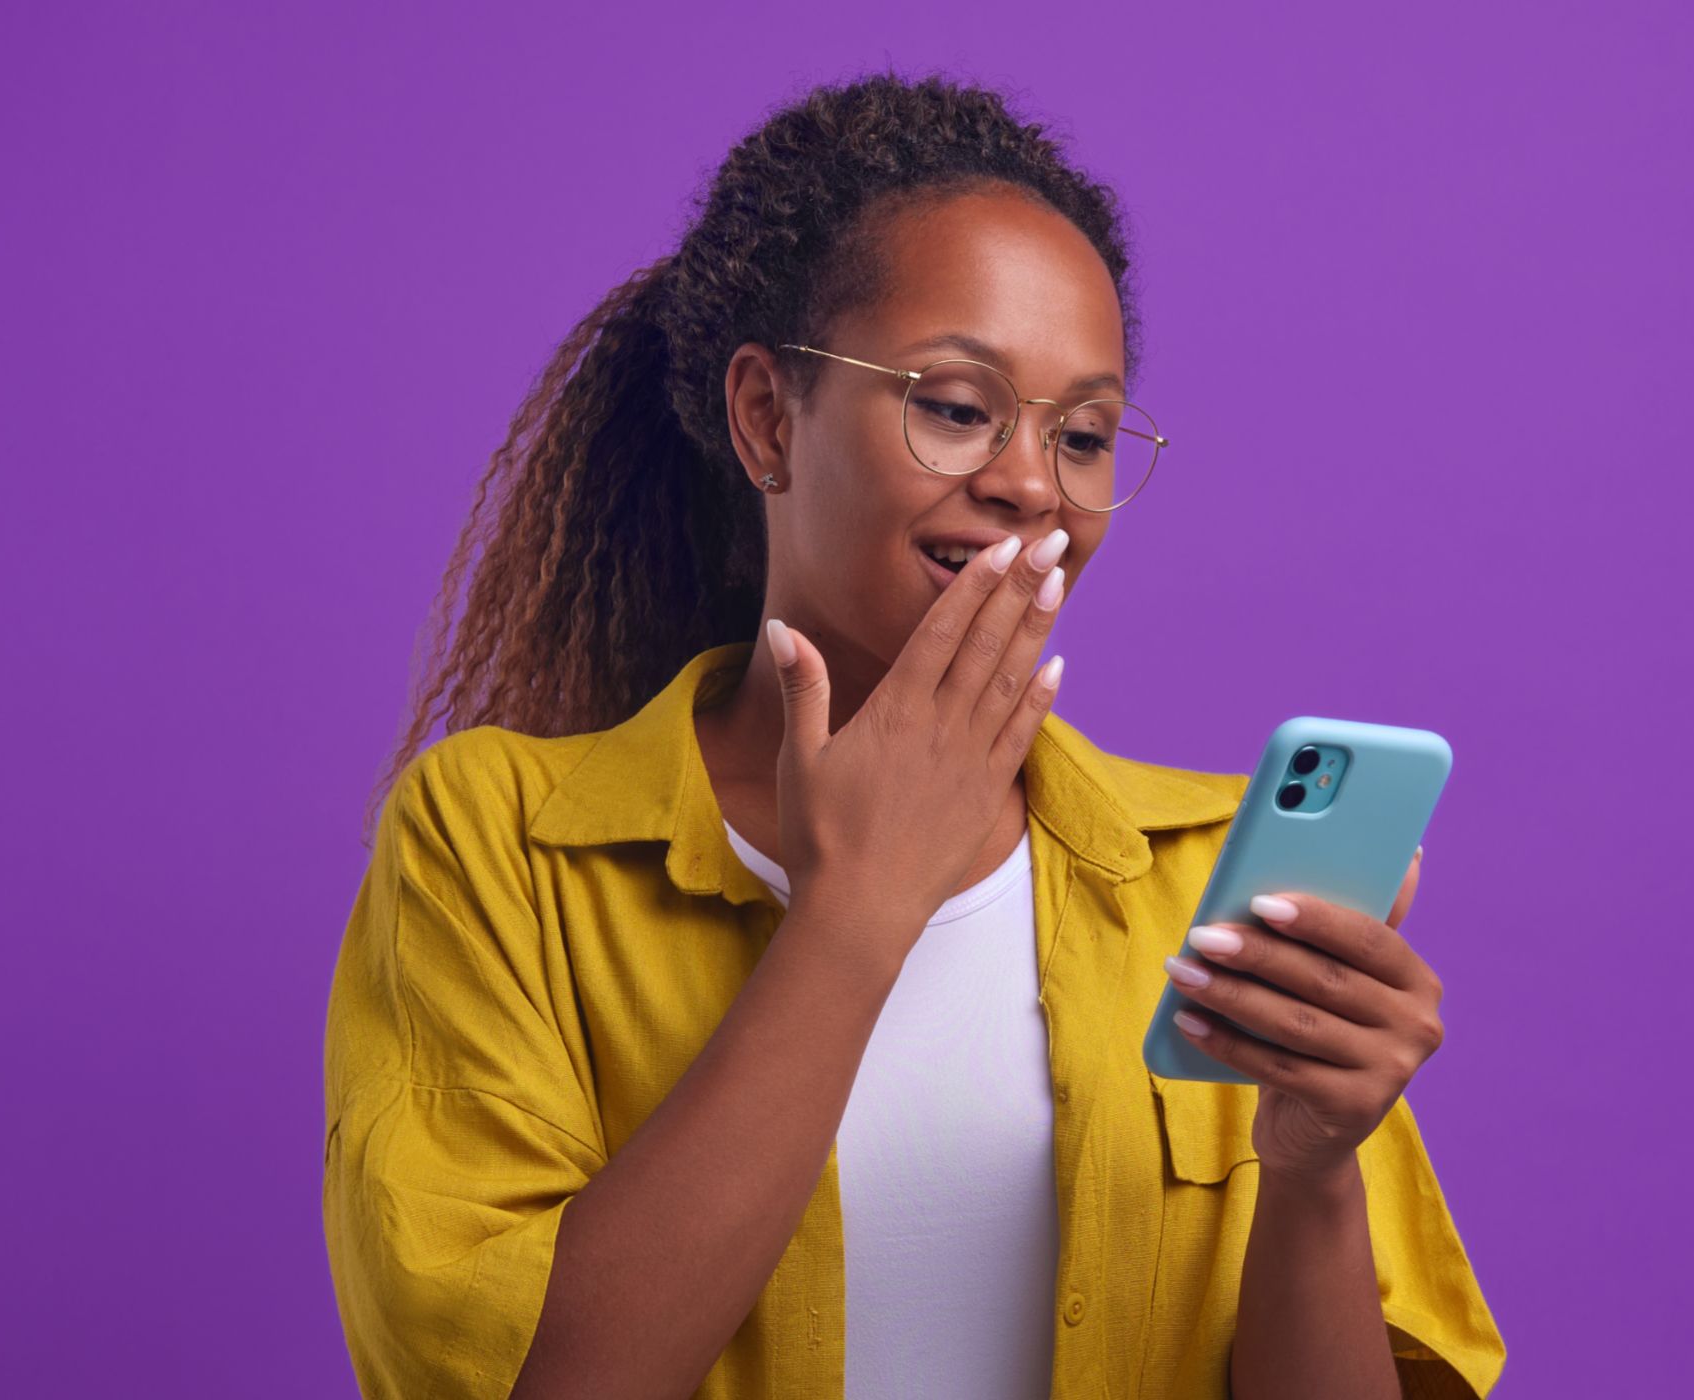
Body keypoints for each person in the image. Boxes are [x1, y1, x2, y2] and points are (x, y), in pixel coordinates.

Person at [322, 71, 1507, 1400]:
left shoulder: (1207, 891)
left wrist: (1311, 1167)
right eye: (955, 406)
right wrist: (857, 911)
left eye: (1087, 435)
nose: (1030, 485)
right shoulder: (496, 845)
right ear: (768, 416)